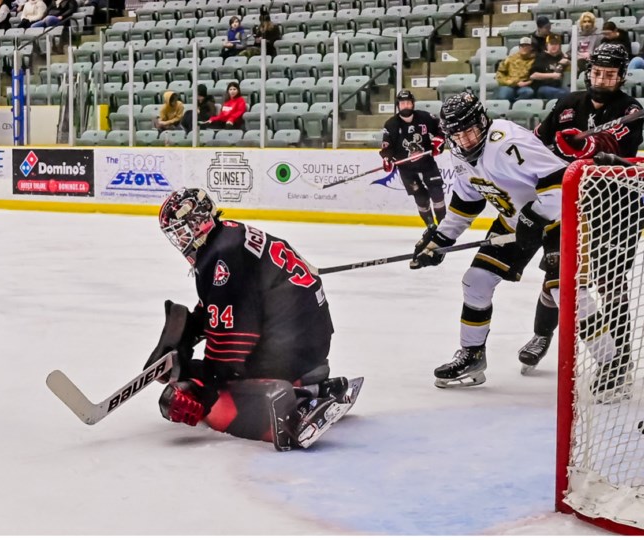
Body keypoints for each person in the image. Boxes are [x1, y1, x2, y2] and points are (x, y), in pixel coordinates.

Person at [153, 188, 361, 450]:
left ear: (197, 222)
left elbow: (231, 349)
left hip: (292, 346)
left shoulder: (221, 257)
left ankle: (298, 403)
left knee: (208, 392)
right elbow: (230, 301)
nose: (180, 240)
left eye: (181, 231)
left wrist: (200, 383)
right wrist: (192, 327)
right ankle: (314, 387)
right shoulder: (230, 234)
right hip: (309, 338)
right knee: (206, 376)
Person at [410, 91, 567, 388]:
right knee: (476, 281)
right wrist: (440, 240)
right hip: (514, 222)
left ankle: (612, 362)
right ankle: (472, 355)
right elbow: (466, 204)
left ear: (482, 122)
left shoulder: (506, 141)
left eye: (470, 131)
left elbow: (560, 180)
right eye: (458, 134)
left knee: (568, 294)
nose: (466, 140)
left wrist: (534, 216)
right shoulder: (458, 155)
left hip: (558, 221)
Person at [524, 43, 644, 386]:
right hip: (572, 204)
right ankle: (541, 335)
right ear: (588, 72)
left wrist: (586, 147)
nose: (602, 80)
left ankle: (619, 360)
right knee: (557, 272)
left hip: (617, 208)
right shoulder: (567, 103)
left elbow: (614, 150)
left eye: (610, 75)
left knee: (610, 283)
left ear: (620, 77)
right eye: (597, 73)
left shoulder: (631, 109)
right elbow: (539, 141)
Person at [379, 90, 447, 227]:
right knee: (421, 198)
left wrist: (439, 140)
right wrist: (387, 159)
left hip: (427, 163)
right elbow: (387, 148)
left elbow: (442, 129)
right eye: (402, 103)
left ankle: (443, 226)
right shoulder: (391, 124)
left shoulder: (425, 117)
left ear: (413, 104)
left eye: (408, 103)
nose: (406, 106)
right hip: (406, 169)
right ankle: (430, 226)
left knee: (437, 193)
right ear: (398, 105)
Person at [528, 34, 570, 100]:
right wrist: (552, 75)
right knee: (563, 94)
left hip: (558, 86)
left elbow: (577, 70)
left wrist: (569, 62)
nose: (554, 46)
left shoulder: (562, 57)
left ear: (560, 46)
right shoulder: (540, 57)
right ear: (547, 46)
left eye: (556, 44)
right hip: (542, 87)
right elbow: (533, 75)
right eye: (551, 44)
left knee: (573, 94)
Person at [496, 37, 536, 103]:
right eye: (522, 46)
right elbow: (500, 74)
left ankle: (514, 106)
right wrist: (514, 82)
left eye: (527, 46)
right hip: (509, 84)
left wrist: (528, 82)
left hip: (524, 85)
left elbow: (536, 76)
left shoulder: (534, 60)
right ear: (519, 47)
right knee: (504, 96)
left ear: (531, 48)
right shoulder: (510, 59)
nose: (524, 48)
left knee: (528, 92)